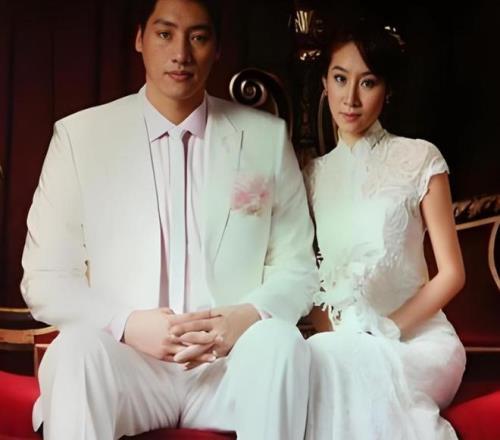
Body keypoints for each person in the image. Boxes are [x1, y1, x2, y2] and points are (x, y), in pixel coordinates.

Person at [20, 0, 318, 438]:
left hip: (227, 366)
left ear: (217, 48)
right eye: (165, 34)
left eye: (198, 37)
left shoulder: (265, 138)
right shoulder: (80, 136)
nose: (181, 54)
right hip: (127, 365)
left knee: (281, 343)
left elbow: (298, 268)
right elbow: (44, 278)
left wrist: (245, 317)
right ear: (140, 39)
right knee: (76, 349)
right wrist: (126, 324)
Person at [303, 17, 466, 439]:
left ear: (387, 89)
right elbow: (311, 281)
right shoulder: (311, 177)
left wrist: (387, 329)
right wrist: (343, 334)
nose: (351, 98)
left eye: (368, 82)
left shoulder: (420, 158)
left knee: (347, 367)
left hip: (419, 343)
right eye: (340, 79)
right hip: (346, 344)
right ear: (325, 83)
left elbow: (452, 273)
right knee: (320, 360)